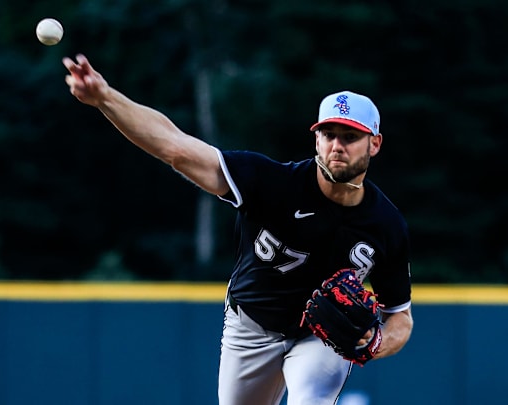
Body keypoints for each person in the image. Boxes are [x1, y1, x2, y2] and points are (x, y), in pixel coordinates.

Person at [63, 53, 413, 405]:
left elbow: (399, 315)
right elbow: (176, 149)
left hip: (318, 339)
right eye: (328, 134)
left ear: (374, 143)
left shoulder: (385, 225)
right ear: (316, 139)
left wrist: (377, 343)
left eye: (350, 136)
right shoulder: (273, 183)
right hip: (251, 326)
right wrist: (105, 98)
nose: (337, 145)